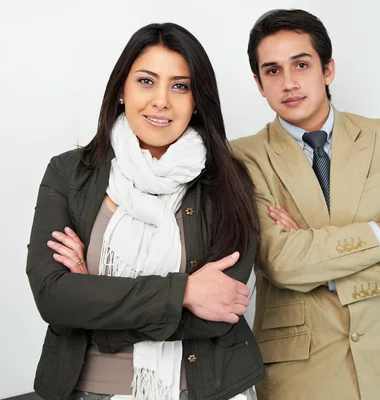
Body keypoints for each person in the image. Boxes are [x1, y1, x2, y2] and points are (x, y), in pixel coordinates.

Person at [26, 23, 264, 400]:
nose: (161, 101)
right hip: (88, 391)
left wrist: (94, 304)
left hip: (205, 390)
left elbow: (223, 306)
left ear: (197, 99)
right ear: (122, 88)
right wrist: (184, 291)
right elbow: (53, 297)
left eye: (180, 86)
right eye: (146, 81)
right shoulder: (69, 173)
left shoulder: (229, 181)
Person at [231, 9, 380, 400]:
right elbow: (281, 262)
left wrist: (320, 264)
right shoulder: (242, 157)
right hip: (301, 376)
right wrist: (378, 233)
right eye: (273, 70)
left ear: (328, 69)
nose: (289, 82)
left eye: (301, 64)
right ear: (259, 84)